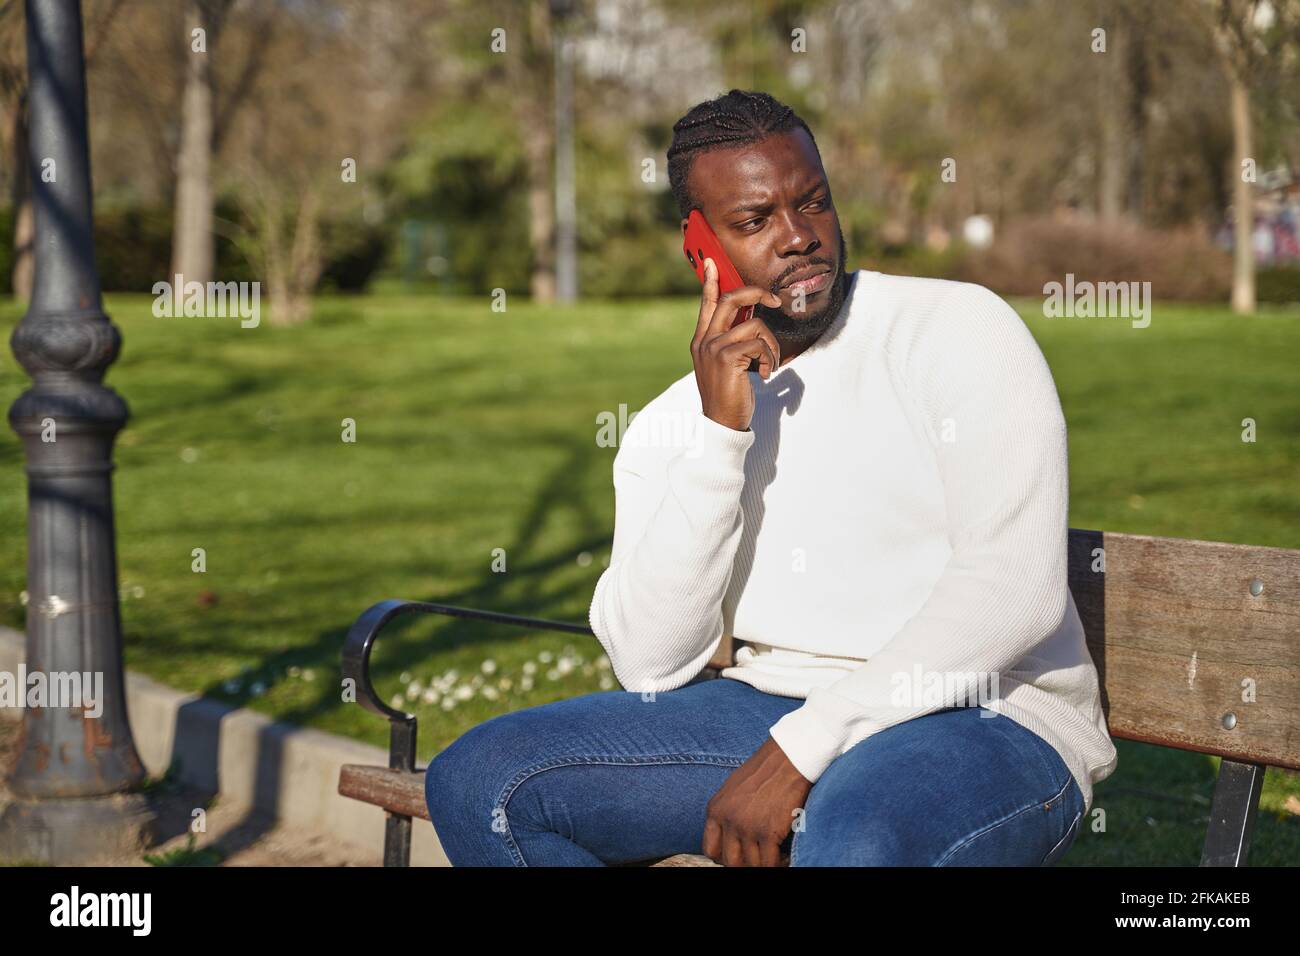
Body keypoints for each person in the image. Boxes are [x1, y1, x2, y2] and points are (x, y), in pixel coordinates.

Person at [426, 89, 1118, 867]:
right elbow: (652, 662)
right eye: (754, 222)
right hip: (767, 709)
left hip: (988, 716)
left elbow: (1011, 592)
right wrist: (720, 436)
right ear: (699, 248)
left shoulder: (956, 330)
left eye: (812, 202)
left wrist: (804, 748)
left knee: (852, 836)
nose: (799, 238)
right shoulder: (670, 425)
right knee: (480, 782)